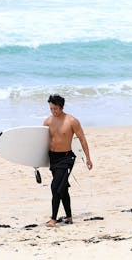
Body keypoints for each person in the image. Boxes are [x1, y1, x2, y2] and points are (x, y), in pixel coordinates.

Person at [43, 94, 93, 227]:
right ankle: (69, 217)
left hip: (67, 158)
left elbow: (82, 139)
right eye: (51, 108)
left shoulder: (72, 121)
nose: (53, 111)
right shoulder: (47, 122)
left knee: (55, 187)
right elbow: (42, 142)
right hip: (53, 158)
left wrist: (88, 158)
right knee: (63, 188)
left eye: (56, 109)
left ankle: (53, 219)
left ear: (62, 107)